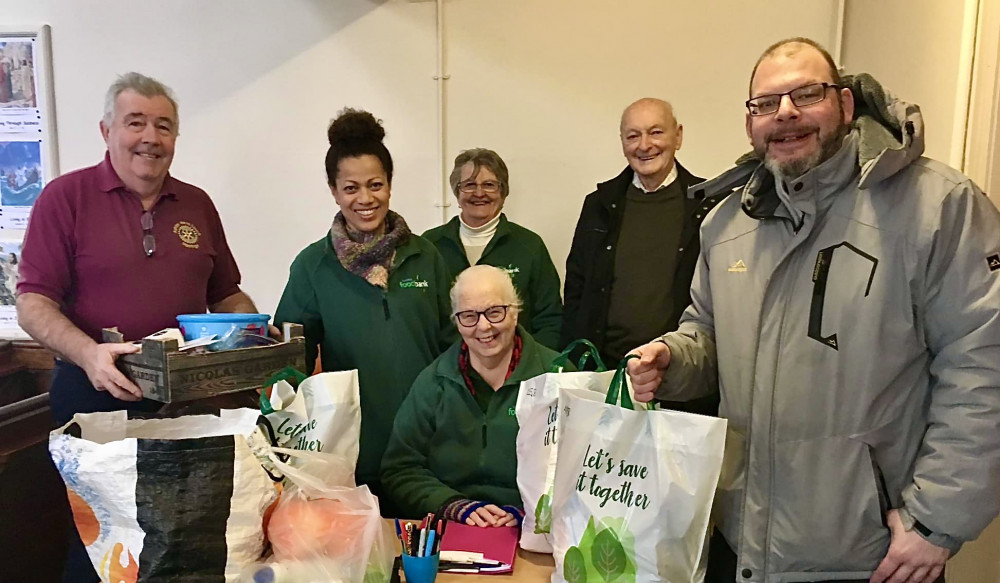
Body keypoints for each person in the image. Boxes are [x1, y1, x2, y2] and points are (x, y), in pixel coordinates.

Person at [627, 38, 1000, 583]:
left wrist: (937, 522)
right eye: (766, 103)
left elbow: (983, 367)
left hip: (870, 555)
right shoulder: (727, 224)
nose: (786, 114)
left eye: (807, 93)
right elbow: (707, 333)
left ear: (846, 105)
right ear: (750, 121)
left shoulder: (937, 207)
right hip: (745, 543)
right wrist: (672, 359)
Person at [16, 72, 263, 583]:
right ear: (107, 130)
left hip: (189, 406)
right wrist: (89, 355)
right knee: (99, 550)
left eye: (164, 126)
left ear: (175, 138)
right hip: (94, 399)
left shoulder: (197, 203)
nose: (150, 137)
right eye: (136, 123)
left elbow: (225, 293)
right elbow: (33, 303)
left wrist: (255, 334)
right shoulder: (65, 198)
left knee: (189, 539)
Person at [274, 108, 453, 513]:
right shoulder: (312, 266)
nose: (365, 199)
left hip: (426, 444)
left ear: (390, 185)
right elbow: (289, 362)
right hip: (351, 450)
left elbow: (453, 345)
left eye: (376, 185)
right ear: (334, 191)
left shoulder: (426, 256)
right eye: (351, 188)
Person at [562, 97, 724, 414]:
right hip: (607, 379)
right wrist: (574, 367)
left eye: (656, 132)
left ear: (678, 136)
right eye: (633, 135)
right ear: (622, 142)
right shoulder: (598, 205)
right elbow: (576, 288)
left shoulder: (710, 204)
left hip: (681, 385)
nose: (644, 145)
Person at [381, 265, 560, 525]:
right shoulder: (433, 383)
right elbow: (399, 469)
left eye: (495, 312)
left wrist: (528, 513)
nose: (484, 327)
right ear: (456, 321)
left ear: (515, 312)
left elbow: (579, 471)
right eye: (469, 316)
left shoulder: (557, 377)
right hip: (453, 526)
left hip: (536, 531)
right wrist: (453, 506)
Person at [422, 148, 562, 349]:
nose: (479, 193)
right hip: (447, 370)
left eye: (489, 185)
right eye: (469, 185)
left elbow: (550, 319)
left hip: (516, 371)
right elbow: (424, 317)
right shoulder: (430, 245)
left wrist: (530, 368)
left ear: (503, 192)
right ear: (456, 191)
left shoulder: (529, 245)